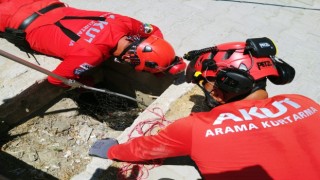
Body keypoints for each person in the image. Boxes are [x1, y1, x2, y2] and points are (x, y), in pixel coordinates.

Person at [89, 37, 320, 179]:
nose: (204, 90)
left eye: (205, 83)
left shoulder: (196, 128)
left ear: (224, 88)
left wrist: (111, 150)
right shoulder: (304, 103)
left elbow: (144, 149)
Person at [0, 0, 186, 88]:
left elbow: (153, 29)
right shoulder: (91, 54)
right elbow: (55, 79)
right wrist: (84, 82)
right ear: (130, 57)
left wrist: (162, 58)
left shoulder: (121, 22)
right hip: (11, 18)